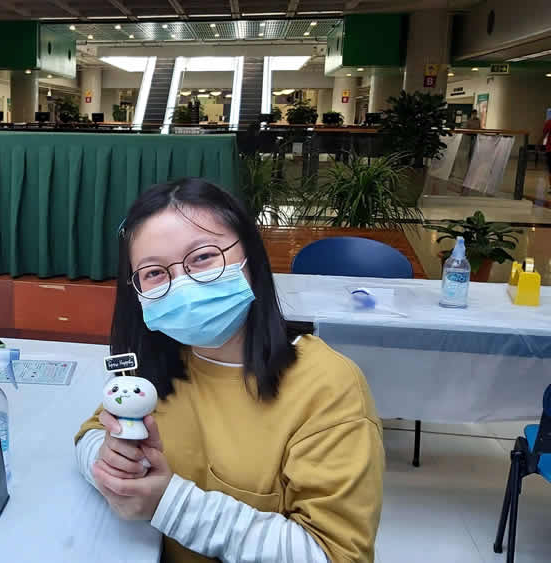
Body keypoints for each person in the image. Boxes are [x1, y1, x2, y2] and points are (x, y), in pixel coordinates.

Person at [74, 179, 384, 563]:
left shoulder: (329, 387)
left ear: (251, 257)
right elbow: (89, 435)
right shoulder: (157, 364)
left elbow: (335, 555)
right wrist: (111, 466)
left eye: (202, 257)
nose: (182, 284)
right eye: (154, 273)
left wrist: (166, 503)